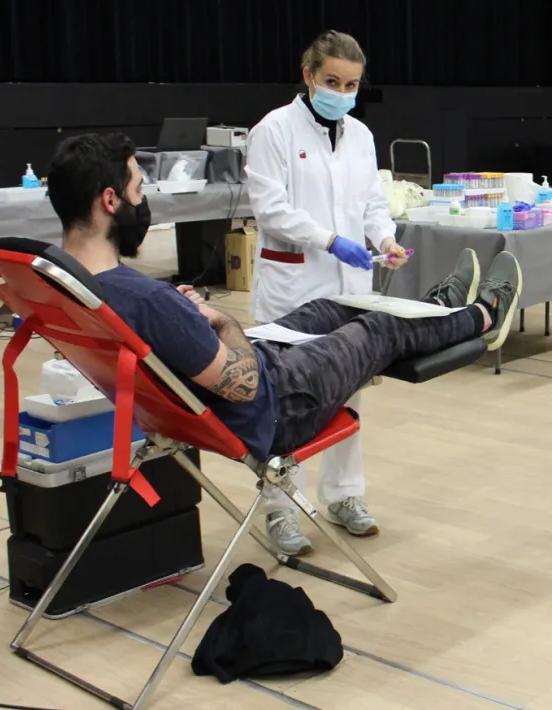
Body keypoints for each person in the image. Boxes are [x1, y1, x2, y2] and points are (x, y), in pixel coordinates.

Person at [45, 133, 522, 557]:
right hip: (275, 405)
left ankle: (440, 310)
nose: (142, 199)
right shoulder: (145, 298)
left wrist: (187, 319)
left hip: (220, 388)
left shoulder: (68, 286)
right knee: (381, 329)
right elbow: (244, 385)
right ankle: (482, 315)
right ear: (110, 201)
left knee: (337, 306)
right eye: (137, 189)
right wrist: (215, 319)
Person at [245, 30, 418, 547]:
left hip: (350, 286)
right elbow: (271, 209)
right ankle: (280, 507)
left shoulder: (361, 136)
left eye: (352, 84)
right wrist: (330, 240)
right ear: (309, 76)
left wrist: (383, 237)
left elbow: (371, 201)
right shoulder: (273, 130)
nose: (342, 92)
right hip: (294, 285)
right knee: (286, 398)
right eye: (332, 81)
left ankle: (343, 494)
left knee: (349, 389)